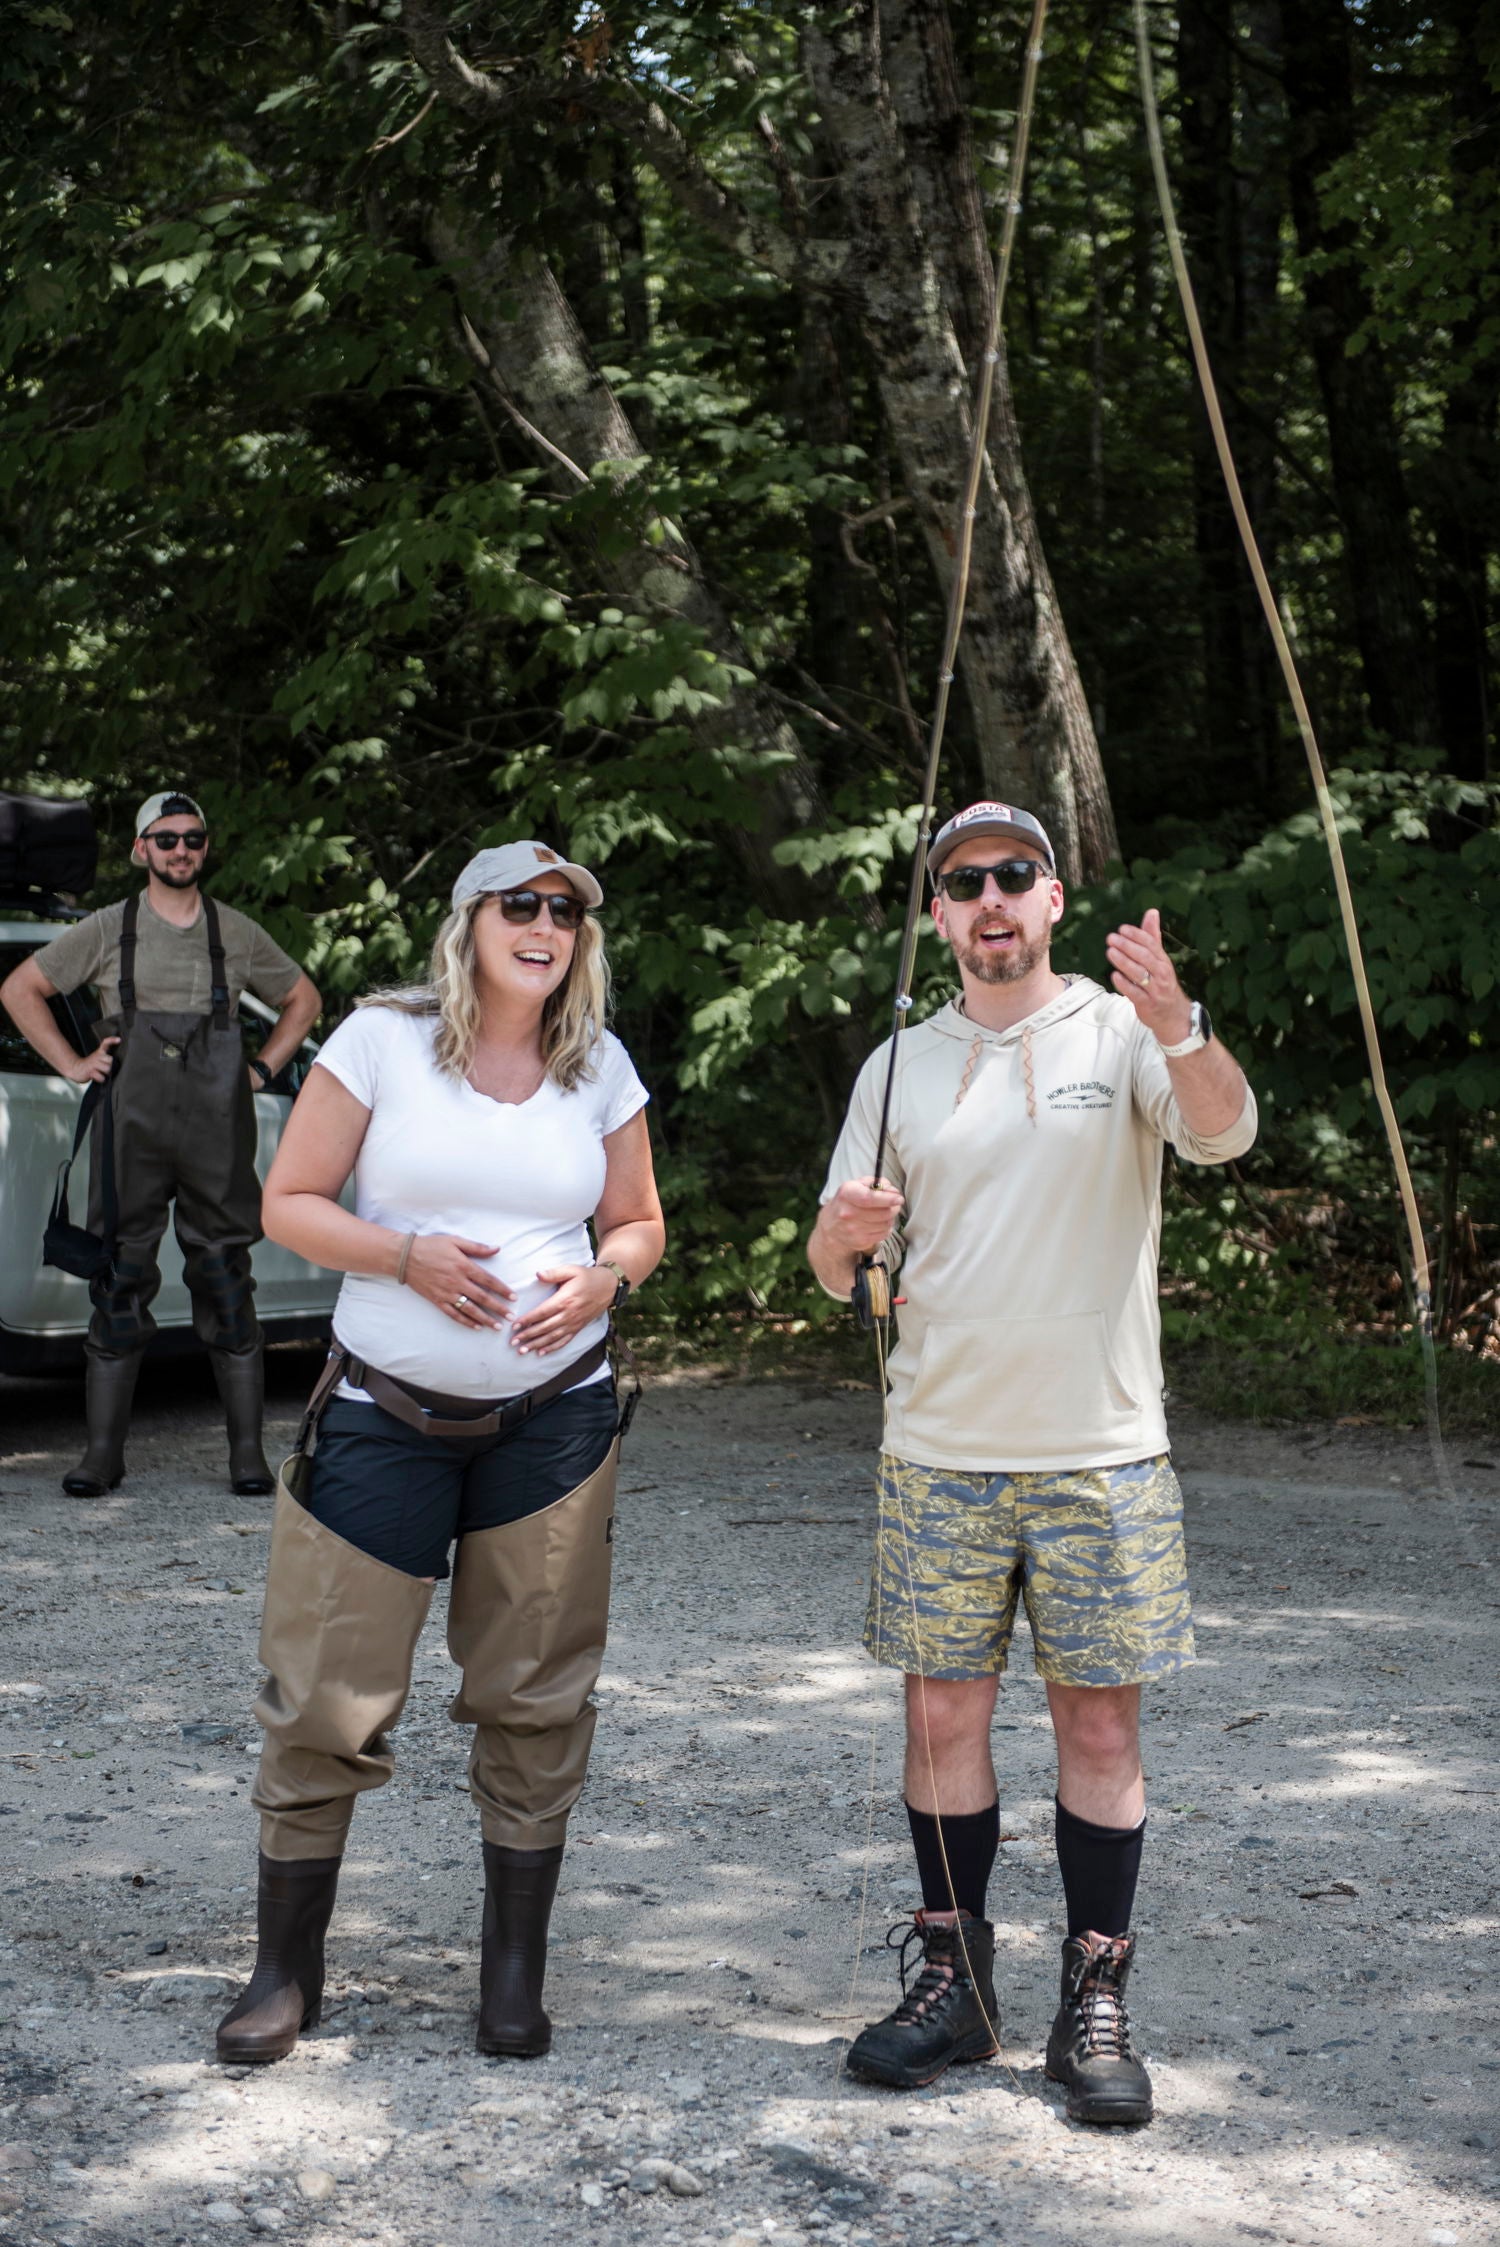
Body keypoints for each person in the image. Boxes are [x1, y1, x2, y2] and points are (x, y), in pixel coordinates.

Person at [807, 800, 1257, 2124]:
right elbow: (836, 1267)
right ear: (938, 914)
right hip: (938, 1449)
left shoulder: (1122, 1034)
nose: (991, 897)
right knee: (941, 1717)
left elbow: (1226, 1132)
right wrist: (841, 1237)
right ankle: (957, 1987)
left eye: (1015, 874)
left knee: (1100, 1724)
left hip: (1102, 1453)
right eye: (965, 882)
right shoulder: (896, 1066)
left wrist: (1180, 1022)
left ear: (1054, 898)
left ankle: (1094, 1998)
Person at [215, 839, 665, 2068]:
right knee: (324, 1692)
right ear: (469, 923)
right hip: (383, 1411)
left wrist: (605, 1279)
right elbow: (288, 1203)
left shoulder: (599, 1064)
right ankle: (284, 1971)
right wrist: (404, 1257)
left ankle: (512, 1976)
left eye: (564, 911)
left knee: (537, 1693)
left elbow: (638, 1221)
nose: (544, 925)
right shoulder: (381, 1041)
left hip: (555, 1419)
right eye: (519, 904)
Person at [0, 790, 321, 1498]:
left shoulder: (235, 932)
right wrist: (72, 1063)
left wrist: (262, 1068)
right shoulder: (106, 929)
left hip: (215, 1133)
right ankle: (102, 1457)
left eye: (193, 838)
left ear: (205, 847)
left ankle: (247, 1456)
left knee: (226, 1280)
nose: (181, 849)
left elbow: (304, 999)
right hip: (131, 1130)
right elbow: (21, 988)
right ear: (140, 848)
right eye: (166, 838)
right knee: (119, 1280)